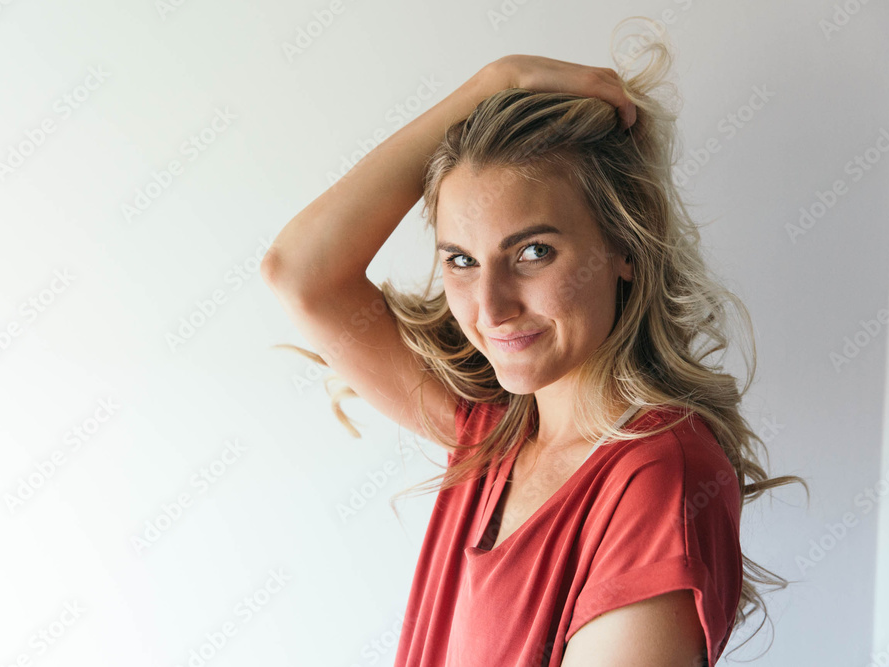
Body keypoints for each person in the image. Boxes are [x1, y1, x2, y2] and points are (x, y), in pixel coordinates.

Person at [262, 15, 809, 667]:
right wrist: (495, 80)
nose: (490, 307)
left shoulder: (658, 478)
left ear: (625, 246)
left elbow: (302, 277)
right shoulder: (488, 432)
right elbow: (299, 274)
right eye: (461, 260)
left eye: (533, 252)